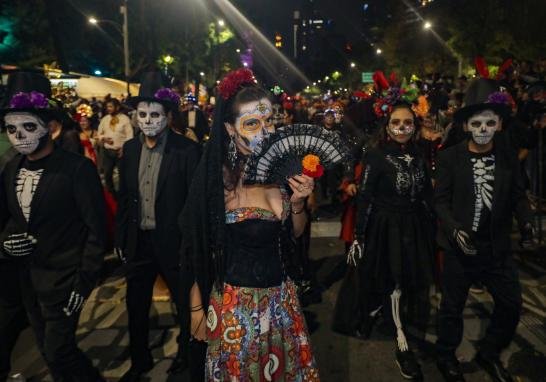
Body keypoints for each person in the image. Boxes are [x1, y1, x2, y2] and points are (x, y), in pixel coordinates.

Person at [179, 69, 320, 381]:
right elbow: (194, 248)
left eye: (269, 121)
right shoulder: (216, 181)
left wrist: (298, 204)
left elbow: (293, 234)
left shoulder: (284, 171)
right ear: (230, 128)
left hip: (281, 305)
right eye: (253, 123)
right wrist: (195, 311)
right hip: (234, 310)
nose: (265, 131)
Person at [0, 72, 107, 381]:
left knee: (59, 351)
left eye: (28, 127)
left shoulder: (77, 169)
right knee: (50, 352)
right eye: (11, 128)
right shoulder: (11, 169)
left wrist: (83, 282)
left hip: (64, 280)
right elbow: (6, 218)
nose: (19, 136)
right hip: (28, 281)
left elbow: (96, 231)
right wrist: (5, 243)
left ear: (53, 128)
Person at [333, 76, 435, 381]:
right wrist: (360, 237)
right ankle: (400, 339)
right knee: (390, 281)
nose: (402, 128)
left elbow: (427, 194)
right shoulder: (375, 155)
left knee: (408, 280)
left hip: (414, 226)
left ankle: (392, 319)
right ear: (387, 124)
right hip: (385, 227)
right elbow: (365, 197)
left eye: (407, 122)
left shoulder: (420, 153)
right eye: (396, 122)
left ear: (414, 125)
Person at [434, 78, 535, 382]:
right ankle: (446, 355)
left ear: (499, 125)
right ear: (465, 126)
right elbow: (439, 201)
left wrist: (526, 221)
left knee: (511, 303)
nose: (482, 129)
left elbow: (518, 195)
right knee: (452, 307)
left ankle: (490, 351)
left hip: (496, 247)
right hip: (458, 248)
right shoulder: (449, 158)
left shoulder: (506, 157)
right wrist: (454, 230)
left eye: (490, 122)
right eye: (476, 123)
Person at [114, 72, 201, 381]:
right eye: (142, 114)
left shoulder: (187, 151)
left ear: (167, 116)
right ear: (135, 116)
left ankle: (186, 355)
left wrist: (189, 244)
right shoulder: (130, 150)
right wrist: (122, 237)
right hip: (139, 241)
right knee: (135, 304)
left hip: (173, 243)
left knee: (184, 304)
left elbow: (194, 202)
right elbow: (125, 197)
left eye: (155, 114)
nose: (148, 120)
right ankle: (140, 358)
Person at [97, 98, 133, 197]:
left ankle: (123, 196)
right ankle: (112, 196)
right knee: (107, 175)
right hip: (107, 151)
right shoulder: (105, 119)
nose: (108, 109)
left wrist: (124, 148)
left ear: (117, 107)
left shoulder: (125, 119)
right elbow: (99, 134)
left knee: (123, 176)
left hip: (120, 152)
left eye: (111, 106)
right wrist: (104, 139)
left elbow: (130, 136)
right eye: (107, 106)